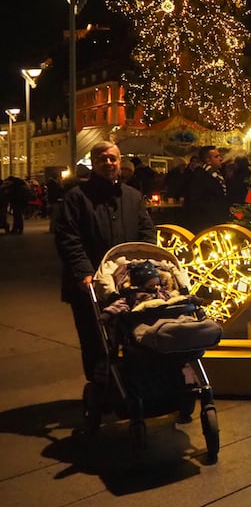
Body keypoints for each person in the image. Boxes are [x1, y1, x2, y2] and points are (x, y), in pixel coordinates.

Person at [54, 140, 156, 381]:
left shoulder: (132, 197)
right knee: (94, 339)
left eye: (113, 158)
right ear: (93, 163)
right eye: (102, 159)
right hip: (88, 284)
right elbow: (68, 238)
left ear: (120, 162)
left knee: (132, 335)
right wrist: (84, 272)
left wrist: (144, 262)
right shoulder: (77, 198)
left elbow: (146, 231)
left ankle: (129, 385)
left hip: (127, 282)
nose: (108, 163)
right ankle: (100, 385)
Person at [182, 145, 230, 232]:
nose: (220, 159)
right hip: (205, 224)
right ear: (208, 161)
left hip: (216, 221)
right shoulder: (200, 177)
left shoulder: (217, 175)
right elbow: (196, 202)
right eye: (216, 156)